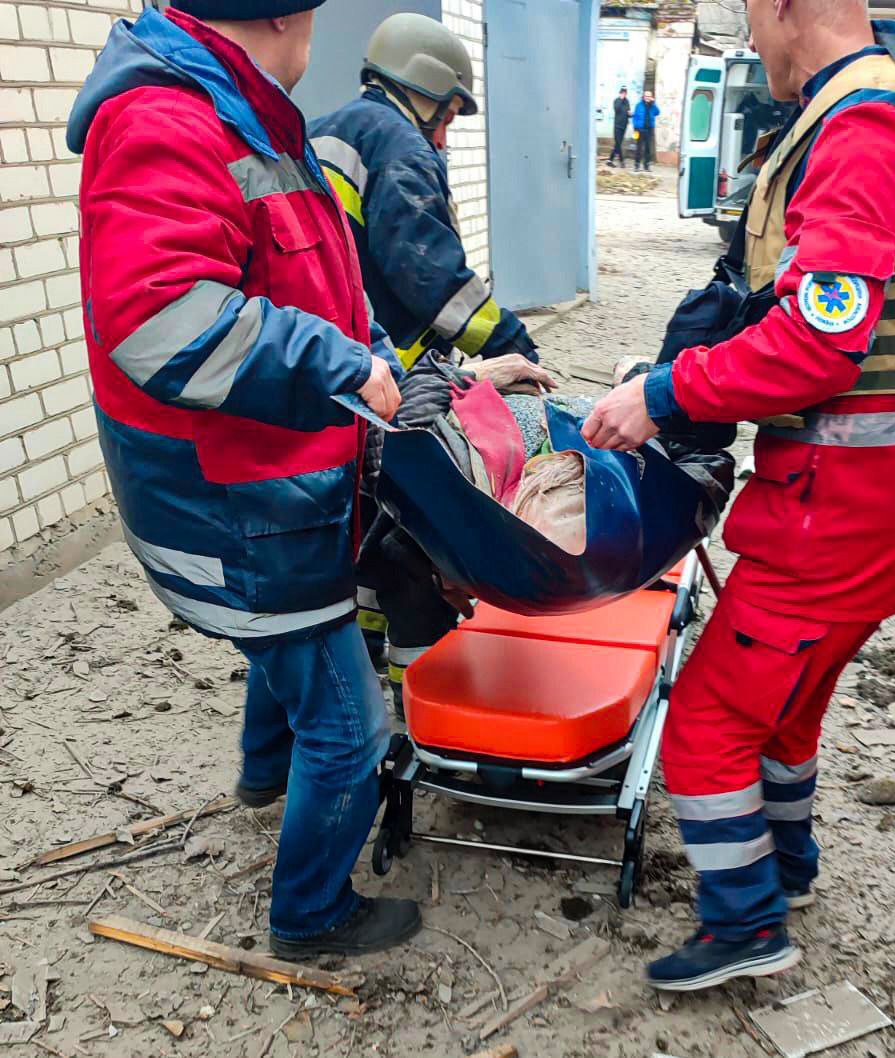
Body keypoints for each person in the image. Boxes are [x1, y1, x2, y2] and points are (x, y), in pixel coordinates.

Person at [584, 0, 895, 991]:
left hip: (836, 515)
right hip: (887, 506)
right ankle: (790, 865)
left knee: (706, 726)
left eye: (749, 17)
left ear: (784, 6)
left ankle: (745, 924)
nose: (749, 40)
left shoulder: (860, 123)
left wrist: (662, 395)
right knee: (787, 708)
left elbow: (818, 342)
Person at [68, 0, 425, 958]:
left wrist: (388, 358)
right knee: (349, 724)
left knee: (293, 639)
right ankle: (311, 913)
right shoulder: (167, 120)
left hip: (272, 482)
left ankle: (264, 774)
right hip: (238, 497)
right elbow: (162, 325)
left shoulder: (246, 111)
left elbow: (313, 281)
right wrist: (344, 366)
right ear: (282, 17)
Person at [309, 13, 550, 704]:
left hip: (330, 368)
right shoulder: (399, 146)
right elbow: (432, 277)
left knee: (360, 528)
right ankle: (422, 696)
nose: (443, 135)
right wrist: (509, 344)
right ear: (424, 88)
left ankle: (361, 667)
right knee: (408, 539)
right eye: (447, 115)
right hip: (387, 377)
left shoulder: (324, 131)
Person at [632, 89, 660, 171]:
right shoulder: (638, 105)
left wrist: (654, 103)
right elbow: (635, 117)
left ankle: (646, 166)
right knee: (639, 148)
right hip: (639, 129)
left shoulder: (652, 106)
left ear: (651, 97)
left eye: (649, 96)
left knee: (648, 148)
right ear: (643, 97)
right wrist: (635, 128)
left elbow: (657, 112)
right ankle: (637, 165)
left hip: (649, 129)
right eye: (646, 96)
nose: (648, 97)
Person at [608, 86, 631, 167]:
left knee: (618, 144)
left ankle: (609, 160)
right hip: (617, 125)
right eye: (622, 93)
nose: (624, 94)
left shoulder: (627, 101)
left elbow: (628, 112)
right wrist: (621, 100)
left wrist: (630, 114)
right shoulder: (616, 101)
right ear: (620, 93)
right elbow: (617, 109)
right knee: (618, 143)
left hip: (624, 125)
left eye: (625, 93)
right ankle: (622, 161)